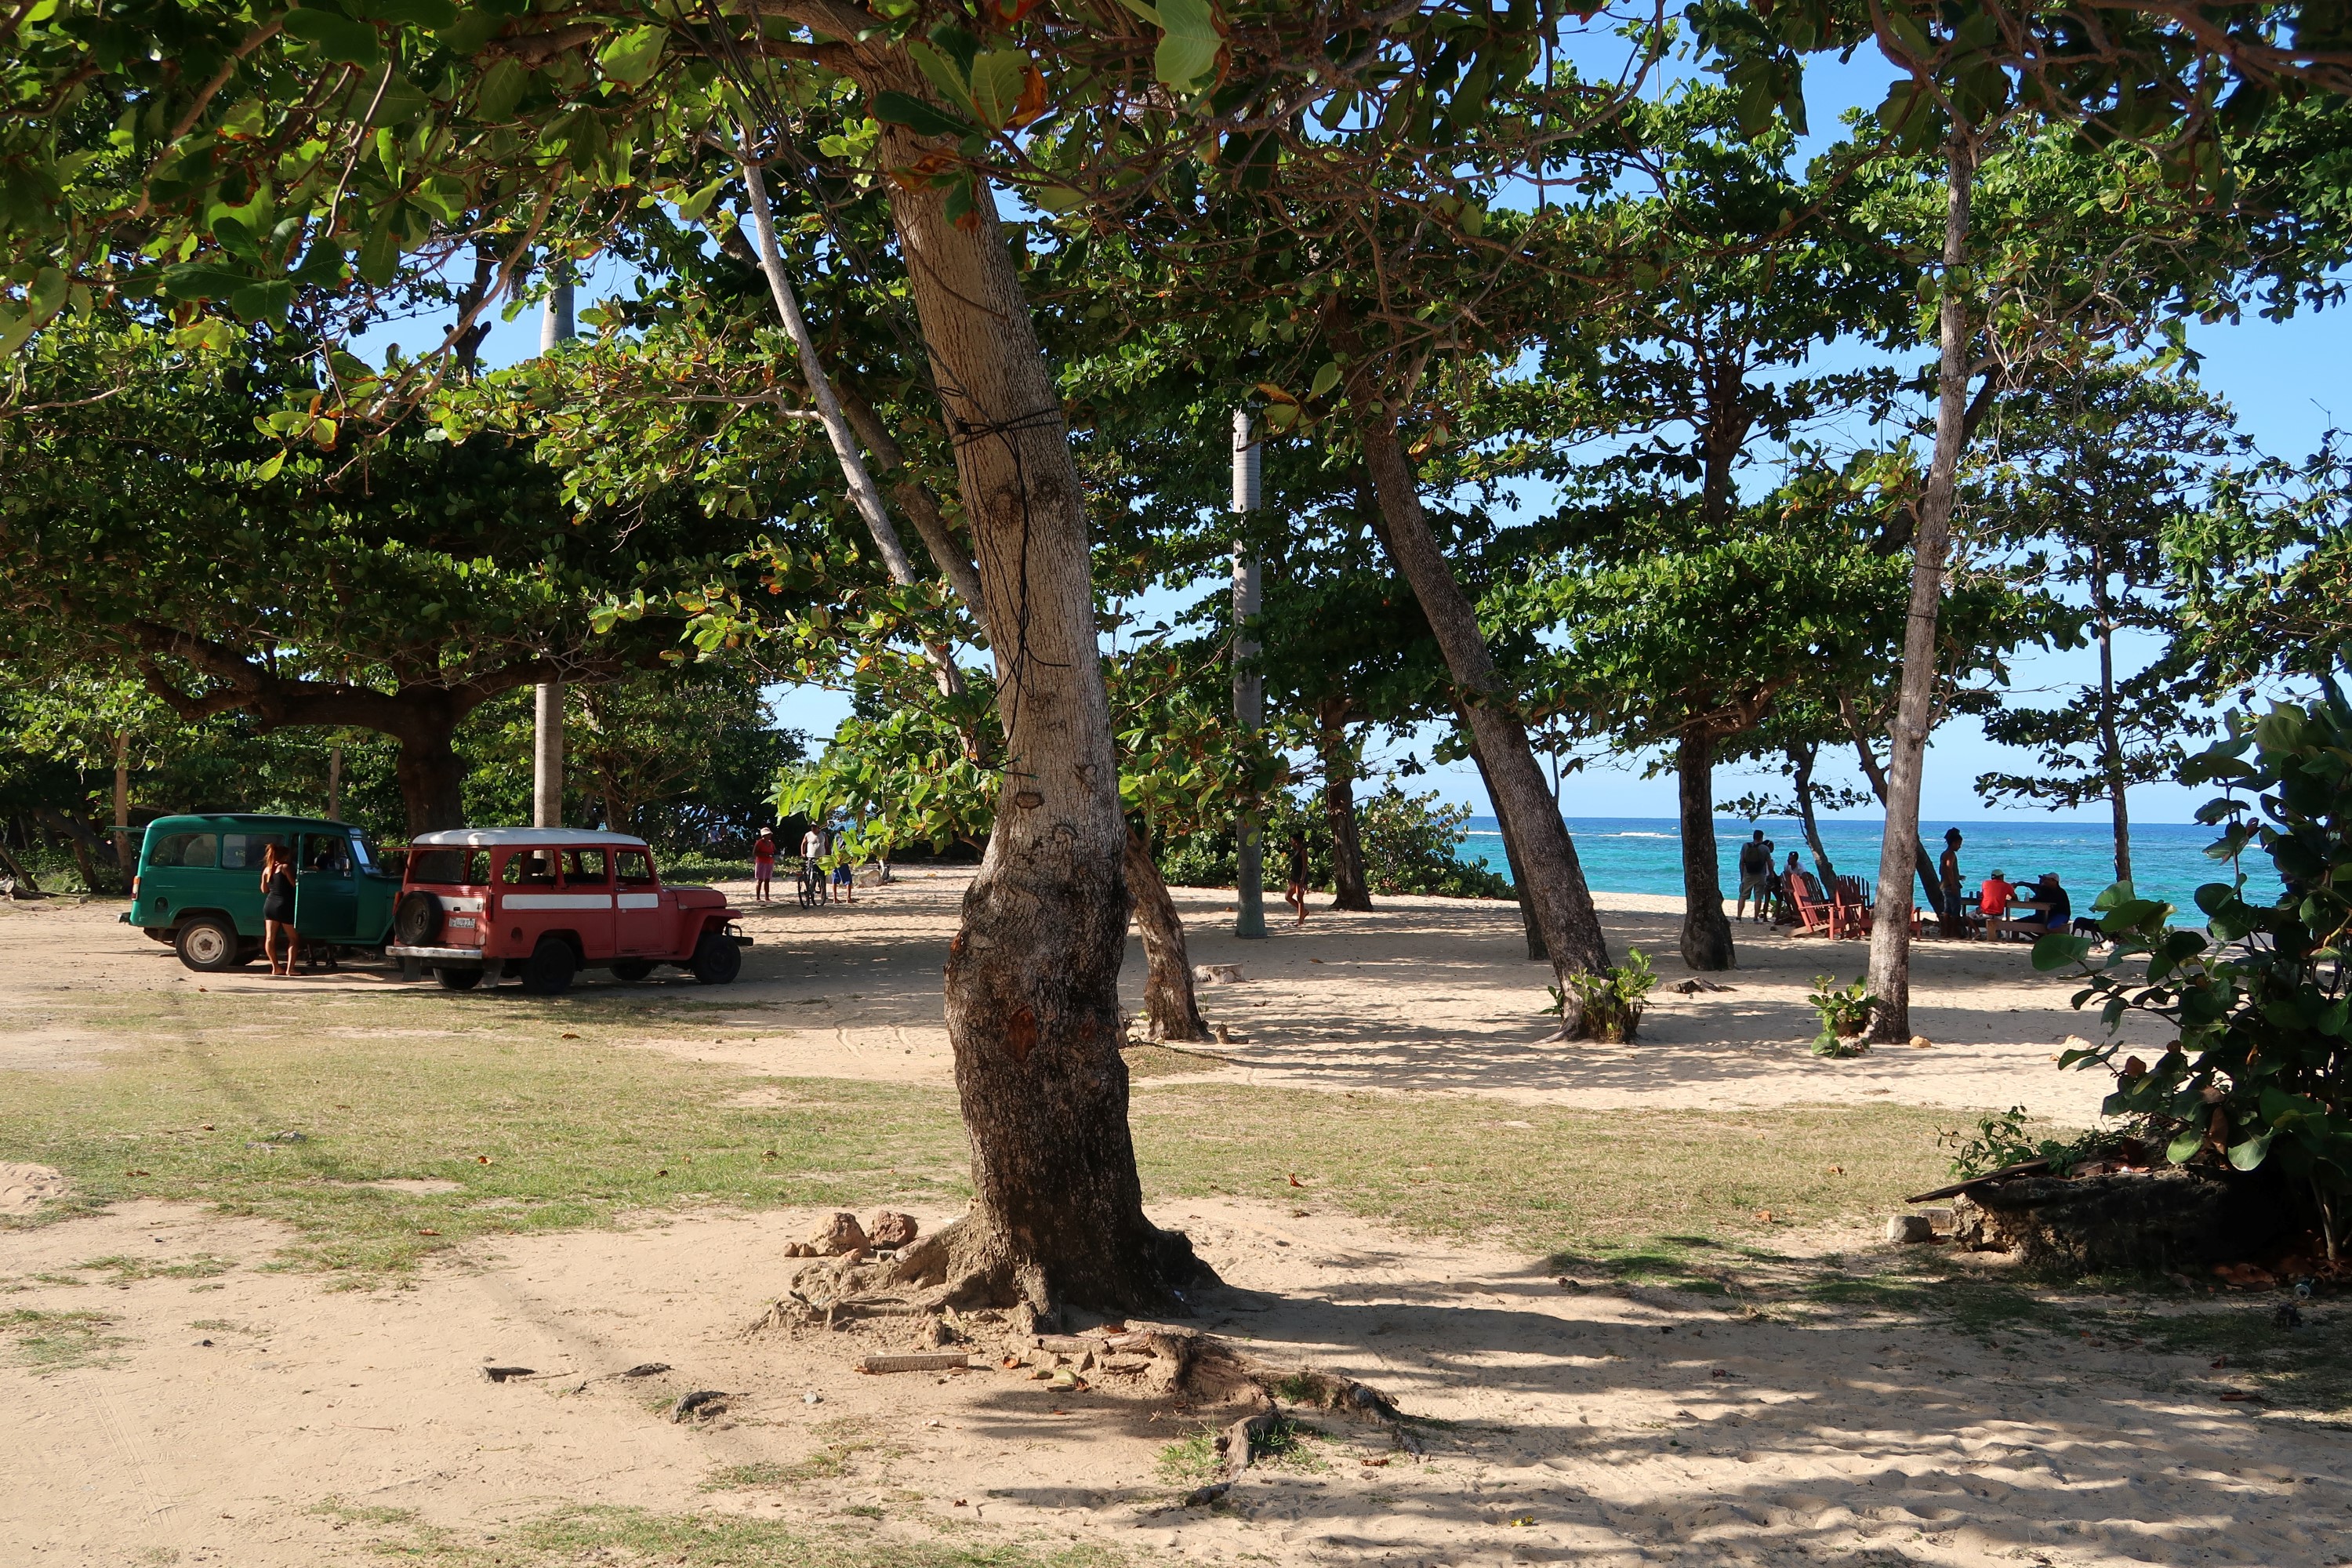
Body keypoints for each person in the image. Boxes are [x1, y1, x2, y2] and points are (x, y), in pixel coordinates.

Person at [259, 840, 297, 977]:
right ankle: (290, 969)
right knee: (293, 939)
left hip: (269, 905)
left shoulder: (267, 870)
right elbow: (294, 885)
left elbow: (264, 890)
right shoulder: (285, 867)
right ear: (283, 856)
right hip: (284, 905)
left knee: (270, 938)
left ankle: (276, 967)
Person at [1735, 829, 1772, 923]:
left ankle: (1739, 917)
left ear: (1753, 836)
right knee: (1758, 896)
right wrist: (1771, 874)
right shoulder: (1765, 848)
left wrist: (1742, 874)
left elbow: (1741, 862)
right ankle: (1755, 918)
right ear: (1761, 837)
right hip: (1760, 875)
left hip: (1748, 874)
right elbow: (1769, 863)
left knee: (1743, 895)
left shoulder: (1745, 846)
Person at [1938, 828, 1966, 936]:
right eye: (1959, 844)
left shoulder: (1944, 854)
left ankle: (1945, 932)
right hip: (1950, 886)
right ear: (1954, 843)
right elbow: (1949, 869)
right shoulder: (1951, 854)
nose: (1960, 846)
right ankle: (1954, 932)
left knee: (1947, 910)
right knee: (1955, 910)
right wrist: (1954, 884)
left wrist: (1958, 877)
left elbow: (1943, 870)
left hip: (1944, 885)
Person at [1979, 867, 2016, 941]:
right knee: (1998, 917)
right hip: (1998, 914)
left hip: (1985, 913)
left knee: (1969, 916)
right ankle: (1996, 932)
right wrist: (2012, 889)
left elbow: (1984, 894)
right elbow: (2015, 898)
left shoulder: (1985, 883)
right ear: (2001, 877)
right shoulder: (2006, 885)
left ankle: (1978, 933)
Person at [1284, 830, 1309, 926]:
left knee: (1300, 898)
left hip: (1300, 877)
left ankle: (1300, 920)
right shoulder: (1296, 851)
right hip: (1294, 878)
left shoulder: (1303, 851)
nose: (1291, 843)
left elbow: (1305, 867)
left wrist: (1302, 879)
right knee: (1288, 897)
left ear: (1296, 841)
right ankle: (1304, 911)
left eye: (1292, 841)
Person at [799, 823, 825, 908]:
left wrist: (828, 855)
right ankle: (810, 894)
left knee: (822, 877)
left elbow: (827, 845)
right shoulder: (808, 835)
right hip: (810, 857)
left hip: (821, 859)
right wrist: (803, 853)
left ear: (818, 827)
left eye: (815, 827)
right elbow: (803, 843)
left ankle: (823, 895)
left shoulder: (823, 834)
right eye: (812, 827)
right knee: (811, 876)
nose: (813, 828)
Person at [752, 829, 776, 906]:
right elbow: (755, 852)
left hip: (769, 862)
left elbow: (774, 851)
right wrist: (764, 854)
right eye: (768, 835)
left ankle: (767, 897)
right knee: (760, 880)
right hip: (761, 862)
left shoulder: (771, 843)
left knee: (767, 880)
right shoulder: (759, 843)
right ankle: (758, 898)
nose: (769, 836)